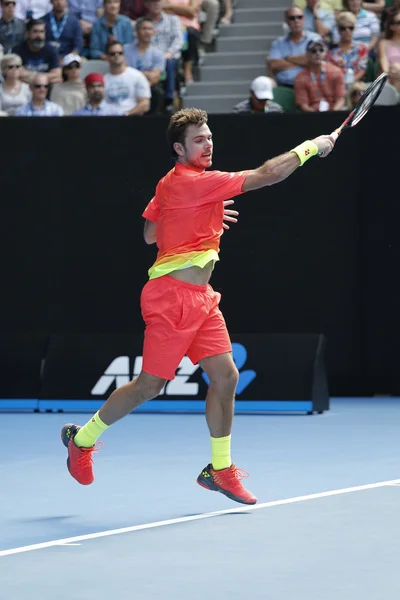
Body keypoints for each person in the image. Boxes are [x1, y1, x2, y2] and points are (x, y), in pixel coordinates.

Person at [60, 107, 335, 505]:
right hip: (171, 298)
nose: (208, 145)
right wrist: (313, 146)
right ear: (179, 148)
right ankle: (81, 440)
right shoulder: (193, 182)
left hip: (202, 299)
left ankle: (219, 470)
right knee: (150, 386)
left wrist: (199, 212)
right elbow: (270, 174)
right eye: (199, 140)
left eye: (209, 137)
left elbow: (151, 233)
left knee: (226, 376)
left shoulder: (172, 185)